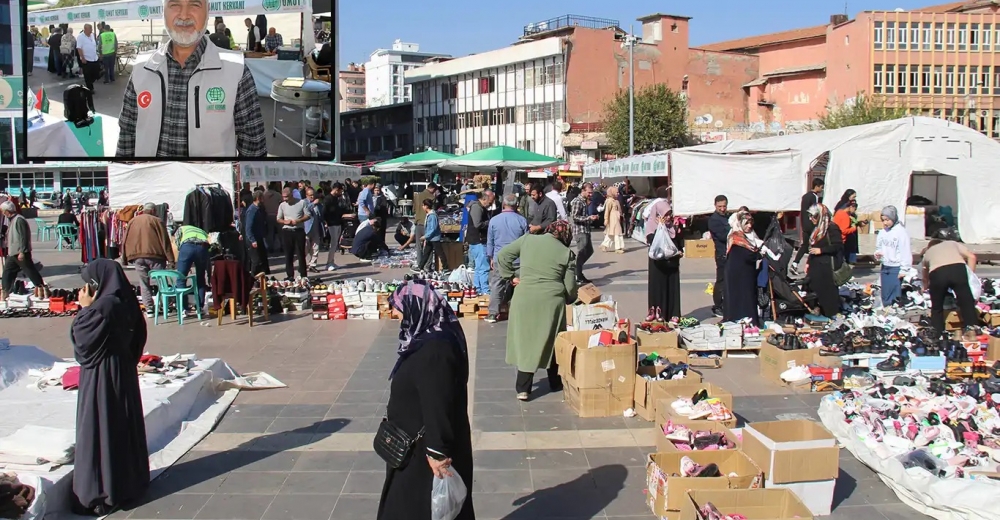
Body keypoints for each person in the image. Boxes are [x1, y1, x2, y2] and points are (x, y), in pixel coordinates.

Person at [116, 0, 266, 158]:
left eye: (195, 4)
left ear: (207, 12)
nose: (184, 15)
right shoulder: (142, 68)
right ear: (163, 11)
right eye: (174, 5)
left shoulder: (236, 70)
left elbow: (253, 148)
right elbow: (127, 135)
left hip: (209, 182)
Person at [377, 281, 474, 520]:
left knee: (418, 507)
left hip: (424, 453)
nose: (395, 313)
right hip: (412, 446)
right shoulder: (425, 338)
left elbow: (438, 403)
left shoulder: (435, 350)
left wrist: (437, 453)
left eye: (399, 307)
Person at [70, 259, 150, 516]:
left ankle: (100, 490)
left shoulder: (103, 307)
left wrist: (84, 309)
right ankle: (128, 482)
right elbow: (138, 337)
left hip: (102, 375)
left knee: (100, 425)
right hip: (123, 372)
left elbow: (83, 342)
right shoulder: (125, 301)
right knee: (120, 424)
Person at [497, 221, 577, 401]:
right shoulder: (567, 253)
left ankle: (523, 388)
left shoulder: (527, 240)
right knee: (553, 339)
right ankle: (555, 382)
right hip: (551, 301)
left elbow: (502, 256)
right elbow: (570, 286)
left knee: (527, 342)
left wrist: (511, 276)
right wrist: (570, 298)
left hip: (524, 297)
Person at [122, 203, 175, 318]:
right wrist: (171, 260)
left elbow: (125, 240)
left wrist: (125, 258)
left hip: (137, 256)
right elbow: (165, 241)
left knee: (144, 283)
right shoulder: (157, 221)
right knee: (161, 282)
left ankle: (149, 309)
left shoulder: (132, 221)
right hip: (155, 255)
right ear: (152, 211)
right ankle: (165, 306)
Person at [485, 193, 529, 323]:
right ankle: (520, 313)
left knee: (497, 285)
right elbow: (526, 241)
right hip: (518, 259)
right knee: (520, 286)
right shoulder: (522, 220)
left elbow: (490, 241)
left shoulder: (494, 220)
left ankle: (493, 313)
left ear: (504, 204)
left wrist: (491, 257)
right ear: (516, 205)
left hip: (500, 258)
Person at [922, 238, 978, 333]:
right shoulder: (952, 243)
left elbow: (925, 273)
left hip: (938, 273)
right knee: (966, 301)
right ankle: (972, 328)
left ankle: (937, 332)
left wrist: (925, 286)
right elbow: (972, 257)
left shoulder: (928, 253)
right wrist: (970, 275)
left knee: (937, 306)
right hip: (958, 269)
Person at [645, 187, 682, 321]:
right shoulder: (651, 226)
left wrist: (680, 250)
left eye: (669, 214)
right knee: (658, 287)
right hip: (658, 263)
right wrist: (660, 230)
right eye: (665, 215)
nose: (668, 217)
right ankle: (657, 311)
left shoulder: (672, 227)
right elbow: (652, 241)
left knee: (672, 288)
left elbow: (678, 241)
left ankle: (673, 313)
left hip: (671, 264)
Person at [0, 201, 47, 300]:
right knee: (7, 272)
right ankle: (5, 291)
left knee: (30, 271)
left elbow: (23, 237)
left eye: (3, 211)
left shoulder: (19, 220)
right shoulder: (12, 220)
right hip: (13, 252)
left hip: (20, 252)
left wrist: (22, 251)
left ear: (7, 211)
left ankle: (42, 288)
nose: (3, 213)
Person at [805, 205, 844, 317]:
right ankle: (817, 311)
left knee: (828, 293)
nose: (811, 219)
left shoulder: (831, 228)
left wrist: (821, 250)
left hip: (827, 267)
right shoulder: (817, 229)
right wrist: (808, 262)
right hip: (816, 266)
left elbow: (838, 246)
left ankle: (830, 314)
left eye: (814, 216)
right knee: (813, 289)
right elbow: (812, 248)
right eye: (810, 216)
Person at [723, 210, 760, 325]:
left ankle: (749, 321)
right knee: (739, 298)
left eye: (750, 223)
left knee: (748, 298)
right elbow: (747, 255)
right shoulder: (736, 237)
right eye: (746, 223)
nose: (749, 226)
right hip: (737, 274)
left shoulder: (748, 235)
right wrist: (758, 254)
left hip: (747, 273)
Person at [874, 205, 912, 307]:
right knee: (885, 292)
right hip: (885, 265)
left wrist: (904, 269)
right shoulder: (882, 232)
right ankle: (886, 309)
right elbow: (879, 246)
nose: (885, 223)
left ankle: (894, 311)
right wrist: (878, 254)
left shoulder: (901, 232)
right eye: (883, 220)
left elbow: (905, 251)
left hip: (895, 267)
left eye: (887, 220)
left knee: (894, 293)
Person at [173, 224, 210, 315]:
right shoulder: (202, 231)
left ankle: (183, 308)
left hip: (187, 247)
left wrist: (184, 263)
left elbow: (177, 242)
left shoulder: (181, 228)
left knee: (181, 278)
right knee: (200, 278)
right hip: (202, 247)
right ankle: (199, 307)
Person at [793, 178, 825, 273]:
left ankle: (795, 262)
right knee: (814, 244)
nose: (822, 190)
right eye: (821, 187)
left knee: (805, 245)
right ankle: (811, 265)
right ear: (817, 186)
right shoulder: (814, 197)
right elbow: (814, 211)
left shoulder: (805, 196)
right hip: (811, 225)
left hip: (805, 224)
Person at [277, 187, 309, 280]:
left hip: (298, 230)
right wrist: (285, 222)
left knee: (300, 253)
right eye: (283, 197)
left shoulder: (301, 202)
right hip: (287, 231)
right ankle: (290, 275)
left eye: (286, 197)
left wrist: (299, 220)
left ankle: (303, 275)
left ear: (291, 195)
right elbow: (278, 218)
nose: (285, 199)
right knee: (288, 254)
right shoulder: (282, 205)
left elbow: (308, 215)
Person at [466, 190, 494, 296]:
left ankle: (478, 289)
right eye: (489, 201)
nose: (490, 204)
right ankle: (485, 290)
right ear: (484, 199)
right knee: (483, 267)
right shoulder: (477, 207)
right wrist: (490, 222)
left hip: (476, 240)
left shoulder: (477, 207)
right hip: (478, 240)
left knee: (479, 267)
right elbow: (478, 224)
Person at [568, 183, 596, 284]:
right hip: (580, 231)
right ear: (583, 191)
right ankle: (577, 273)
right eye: (589, 193)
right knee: (582, 252)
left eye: (591, 193)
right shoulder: (577, 201)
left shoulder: (584, 201)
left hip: (586, 229)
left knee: (589, 251)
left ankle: (578, 271)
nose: (590, 195)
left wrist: (590, 218)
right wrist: (588, 218)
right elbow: (574, 217)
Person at [707, 195, 730, 317]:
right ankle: (717, 306)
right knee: (720, 281)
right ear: (715, 205)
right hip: (722, 254)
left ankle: (726, 303)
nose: (722, 208)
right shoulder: (714, 220)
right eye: (720, 206)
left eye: (724, 206)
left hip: (729, 253)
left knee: (728, 281)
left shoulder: (727, 217)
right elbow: (722, 236)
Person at [323, 182, 354, 271]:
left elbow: (339, 210)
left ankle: (331, 261)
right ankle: (329, 263)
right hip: (331, 224)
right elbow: (324, 212)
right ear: (336, 190)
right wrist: (326, 222)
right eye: (340, 191)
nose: (341, 193)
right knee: (332, 244)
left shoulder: (337, 198)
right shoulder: (328, 199)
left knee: (335, 243)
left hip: (337, 223)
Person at [416, 199, 448, 273]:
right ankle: (420, 266)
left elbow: (433, 228)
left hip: (434, 238)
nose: (422, 207)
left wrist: (425, 236)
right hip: (430, 238)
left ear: (426, 206)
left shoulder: (432, 216)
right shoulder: (429, 215)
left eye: (423, 205)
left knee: (440, 253)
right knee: (426, 253)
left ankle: (446, 267)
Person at [243, 191, 269, 276]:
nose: (264, 200)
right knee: (256, 261)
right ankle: (253, 278)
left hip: (259, 237)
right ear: (258, 198)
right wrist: (252, 240)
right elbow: (248, 227)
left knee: (262, 259)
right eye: (262, 198)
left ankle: (262, 279)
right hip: (253, 239)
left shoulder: (259, 209)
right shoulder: (252, 210)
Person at [833, 200, 861, 265]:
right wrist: (853, 229)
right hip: (842, 239)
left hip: (835, 237)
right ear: (851, 207)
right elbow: (844, 230)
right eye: (855, 208)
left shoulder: (838, 212)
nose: (855, 211)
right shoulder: (845, 216)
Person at [77, 25, 101, 100]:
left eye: (91, 29)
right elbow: (79, 48)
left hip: (94, 58)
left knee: (96, 72)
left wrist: (98, 53)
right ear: (85, 29)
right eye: (90, 29)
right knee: (87, 74)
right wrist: (82, 57)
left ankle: (91, 82)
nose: (91, 30)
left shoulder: (92, 35)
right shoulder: (80, 37)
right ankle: (90, 89)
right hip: (86, 59)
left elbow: (94, 46)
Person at [304, 188, 324, 272]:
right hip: (307, 228)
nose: (312, 196)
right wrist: (313, 204)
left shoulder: (318, 203)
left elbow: (321, 213)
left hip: (316, 228)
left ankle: (312, 265)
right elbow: (306, 210)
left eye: (313, 195)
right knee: (305, 248)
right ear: (306, 195)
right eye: (310, 195)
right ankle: (303, 264)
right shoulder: (304, 202)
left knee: (316, 248)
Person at [601, 185, 625, 253]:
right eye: (616, 192)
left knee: (612, 233)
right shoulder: (609, 201)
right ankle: (618, 247)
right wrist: (606, 219)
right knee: (617, 233)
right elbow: (607, 211)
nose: (618, 194)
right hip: (612, 219)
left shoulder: (616, 201)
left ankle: (604, 245)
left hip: (616, 219)